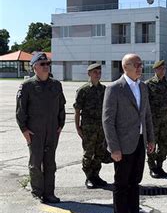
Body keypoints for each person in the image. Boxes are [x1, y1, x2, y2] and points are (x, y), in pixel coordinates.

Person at [102, 54, 155, 213]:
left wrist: (150, 138)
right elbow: (107, 121)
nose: (140, 67)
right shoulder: (115, 88)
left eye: (141, 64)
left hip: (139, 142)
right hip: (122, 145)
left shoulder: (143, 86)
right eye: (137, 64)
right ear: (126, 67)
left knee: (135, 183)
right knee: (121, 184)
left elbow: (147, 114)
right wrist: (113, 147)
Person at [16, 52, 66, 203]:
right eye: (42, 64)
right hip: (34, 131)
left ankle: (49, 193)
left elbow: (61, 106)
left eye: (47, 64)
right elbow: (20, 110)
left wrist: (60, 125)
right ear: (34, 67)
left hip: (52, 130)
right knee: (36, 163)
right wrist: (24, 130)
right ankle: (37, 192)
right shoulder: (27, 86)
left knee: (50, 163)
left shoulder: (56, 84)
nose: (46, 67)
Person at [74, 63, 110, 189]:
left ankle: (96, 175)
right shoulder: (83, 90)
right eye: (95, 72)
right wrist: (78, 127)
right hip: (88, 128)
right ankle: (89, 176)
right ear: (89, 74)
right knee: (88, 153)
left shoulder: (104, 89)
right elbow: (77, 110)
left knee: (99, 152)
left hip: (101, 127)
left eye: (99, 72)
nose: (97, 74)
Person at [145, 60, 167, 178]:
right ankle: (152, 167)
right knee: (152, 144)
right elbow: (145, 103)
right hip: (153, 121)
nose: (163, 70)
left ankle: (160, 165)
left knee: (164, 145)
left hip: (165, 120)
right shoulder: (148, 84)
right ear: (155, 70)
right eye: (160, 68)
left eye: (164, 68)